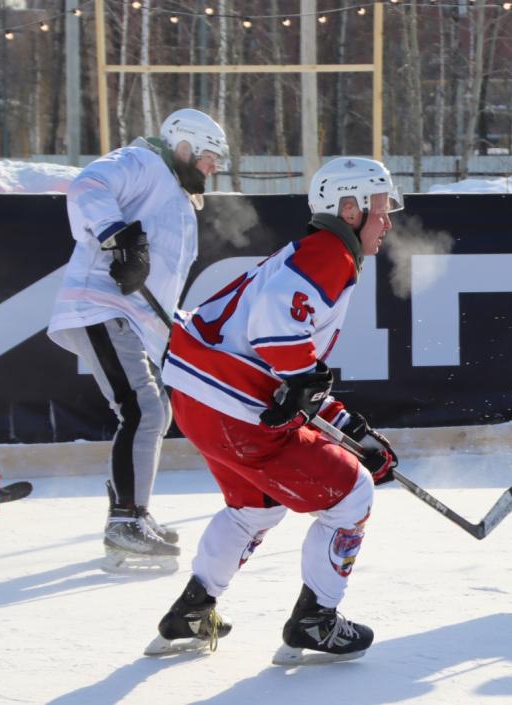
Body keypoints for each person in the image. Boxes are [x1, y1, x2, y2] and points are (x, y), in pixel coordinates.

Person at [148, 157, 402, 664]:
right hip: (234, 407)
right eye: (379, 207)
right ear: (348, 208)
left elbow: (291, 376)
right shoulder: (330, 254)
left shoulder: (310, 252)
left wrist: (354, 433)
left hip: (200, 399)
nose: (387, 220)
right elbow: (279, 338)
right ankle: (316, 620)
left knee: (255, 506)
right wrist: (310, 390)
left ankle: (192, 612)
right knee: (352, 493)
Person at [47, 108, 229, 571]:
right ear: (183, 145)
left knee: (152, 409)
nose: (213, 168)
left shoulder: (178, 196)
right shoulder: (145, 162)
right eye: (209, 157)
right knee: (144, 408)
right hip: (101, 305)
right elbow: (89, 184)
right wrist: (117, 235)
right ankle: (125, 520)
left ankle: (132, 514)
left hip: (129, 317)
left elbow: (159, 276)